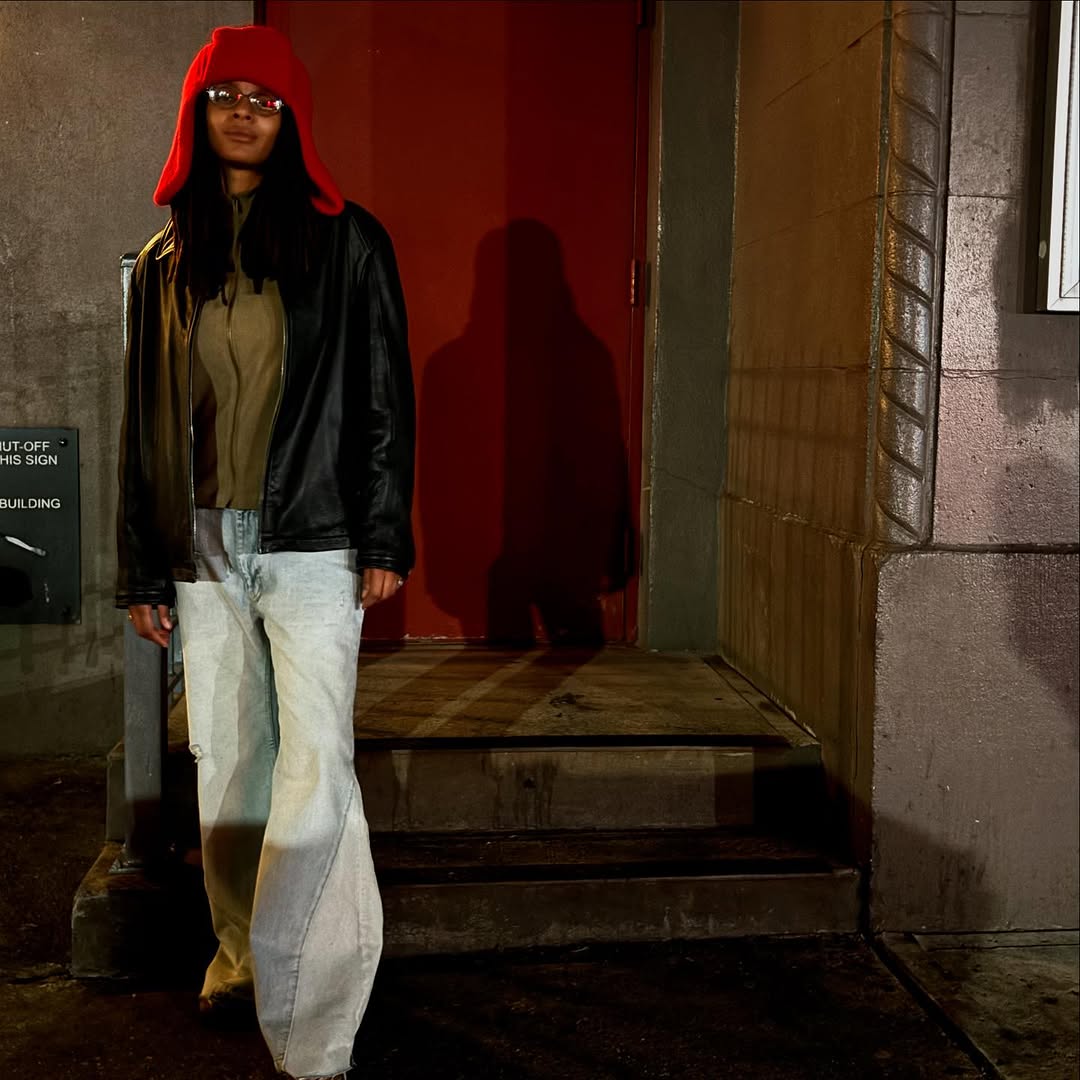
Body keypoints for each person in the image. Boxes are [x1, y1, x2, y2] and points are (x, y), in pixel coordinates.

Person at [115, 24, 415, 1080]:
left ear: (292, 121)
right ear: (197, 113)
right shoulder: (165, 261)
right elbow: (144, 426)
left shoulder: (349, 243)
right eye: (226, 95)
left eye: (266, 100)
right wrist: (143, 566)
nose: (245, 113)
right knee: (232, 766)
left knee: (315, 761)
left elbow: (384, 398)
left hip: (315, 544)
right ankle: (244, 955)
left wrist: (384, 533)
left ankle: (317, 1010)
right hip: (202, 547)